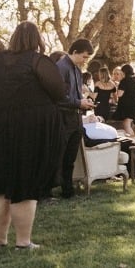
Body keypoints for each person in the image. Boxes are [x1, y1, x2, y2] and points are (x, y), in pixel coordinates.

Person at [0, 21, 66, 251]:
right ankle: (23, 242)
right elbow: (59, 91)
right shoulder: (38, 61)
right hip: (28, 129)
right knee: (25, 185)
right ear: (37, 40)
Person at [55, 39, 95, 199]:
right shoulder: (61, 68)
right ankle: (48, 191)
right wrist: (79, 102)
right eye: (84, 57)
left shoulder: (77, 70)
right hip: (63, 118)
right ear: (75, 52)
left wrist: (85, 102)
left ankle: (67, 191)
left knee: (70, 157)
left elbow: (76, 93)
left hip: (76, 118)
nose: (85, 61)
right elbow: (58, 97)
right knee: (59, 156)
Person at [113, 63, 135, 135]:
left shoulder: (124, 81)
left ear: (124, 72)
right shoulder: (133, 81)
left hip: (128, 107)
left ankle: (133, 141)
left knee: (126, 124)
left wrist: (116, 87)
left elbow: (119, 94)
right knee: (127, 124)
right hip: (134, 106)